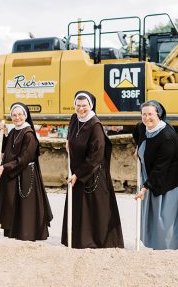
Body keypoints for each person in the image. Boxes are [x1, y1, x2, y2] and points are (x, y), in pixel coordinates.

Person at [61, 91, 124, 249]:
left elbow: (96, 155)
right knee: (79, 207)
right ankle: (77, 240)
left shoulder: (95, 125)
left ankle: (97, 241)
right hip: (77, 170)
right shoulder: (75, 118)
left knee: (94, 209)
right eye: (78, 105)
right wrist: (69, 141)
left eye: (84, 106)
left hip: (93, 172)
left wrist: (78, 174)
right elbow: (71, 132)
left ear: (91, 106)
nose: (81, 109)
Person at [133, 100, 178, 250]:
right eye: (144, 114)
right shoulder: (141, 127)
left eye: (150, 114)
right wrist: (138, 149)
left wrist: (145, 187)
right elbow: (138, 136)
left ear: (159, 115)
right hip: (152, 174)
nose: (147, 118)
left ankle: (167, 248)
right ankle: (155, 243)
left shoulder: (167, 136)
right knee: (154, 216)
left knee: (166, 217)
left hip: (170, 180)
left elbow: (161, 167)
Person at [0, 102, 53, 241]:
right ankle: (15, 232)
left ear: (25, 116)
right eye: (14, 115)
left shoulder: (29, 134)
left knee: (26, 207)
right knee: (14, 204)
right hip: (15, 173)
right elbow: (7, 149)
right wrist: (4, 133)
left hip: (26, 175)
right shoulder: (14, 131)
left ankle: (27, 234)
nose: (17, 117)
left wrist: (4, 167)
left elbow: (24, 158)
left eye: (20, 114)